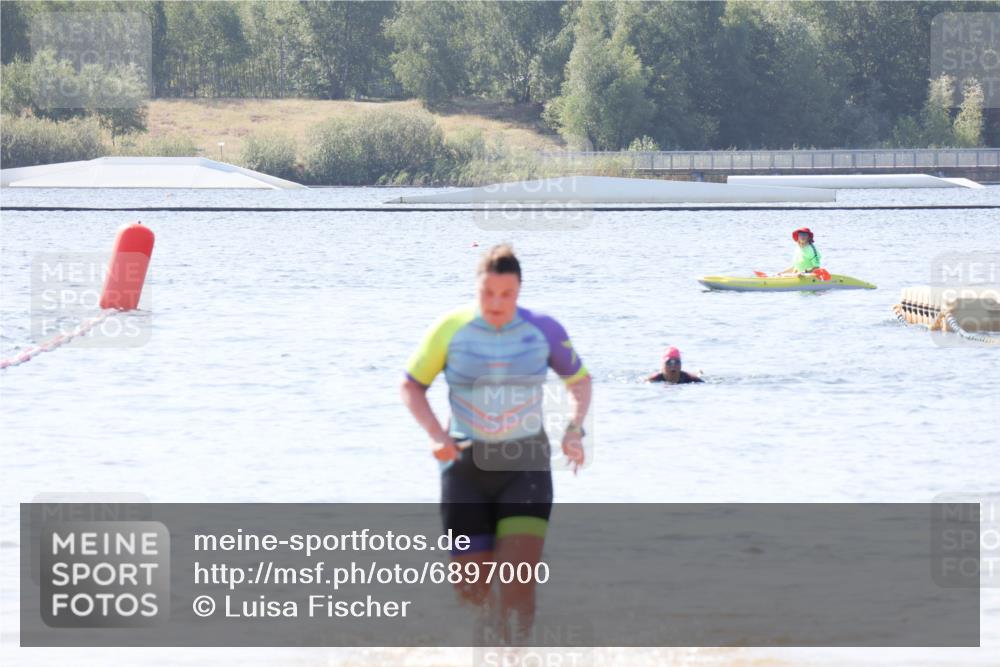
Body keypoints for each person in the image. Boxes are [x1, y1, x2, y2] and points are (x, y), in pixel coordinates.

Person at [400, 243, 592, 641]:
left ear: (518, 292)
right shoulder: (450, 328)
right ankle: (483, 646)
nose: (495, 302)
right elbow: (411, 386)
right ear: (477, 288)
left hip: (526, 466)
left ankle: (515, 656)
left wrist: (574, 429)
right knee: (471, 589)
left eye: (505, 294)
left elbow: (580, 382)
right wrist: (437, 436)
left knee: (518, 584)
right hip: (464, 467)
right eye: (487, 293)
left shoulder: (544, 329)